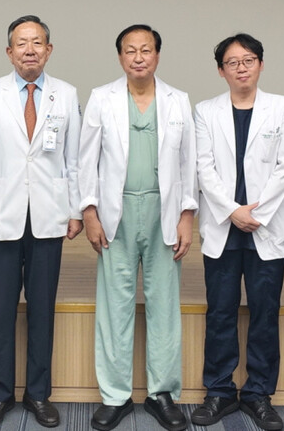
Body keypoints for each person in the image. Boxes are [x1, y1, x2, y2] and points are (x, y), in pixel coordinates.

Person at [0, 15, 82, 429]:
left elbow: (74, 160)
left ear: (49, 50)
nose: (29, 50)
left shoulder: (66, 94)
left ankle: (38, 394)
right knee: (0, 311)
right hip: (1, 216)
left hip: (49, 217)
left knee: (42, 310)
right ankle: (0, 394)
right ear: (9, 51)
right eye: (21, 43)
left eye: (37, 42)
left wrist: (75, 211)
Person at [79, 25, 197, 431]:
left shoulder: (178, 100)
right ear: (120, 57)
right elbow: (86, 160)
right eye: (130, 50)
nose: (139, 57)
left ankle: (162, 393)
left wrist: (187, 215)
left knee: (164, 304)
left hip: (165, 210)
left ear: (158, 55)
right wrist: (89, 212)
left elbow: (188, 163)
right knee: (115, 305)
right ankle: (115, 395)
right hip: (117, 212)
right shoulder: (101, 98)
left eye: (146, 50)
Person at [192, 34, 284, 430]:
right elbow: (203, 167)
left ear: (261, 64)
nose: (242, 68)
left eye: (249, 60)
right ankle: (219, 391)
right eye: (233, 62)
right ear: (221, 70)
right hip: (224, 226)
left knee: (264, 313)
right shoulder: (205, 111)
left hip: (266, 226)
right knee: (220, 312)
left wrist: (257, 213)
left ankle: (258, 394)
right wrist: (231, 210)